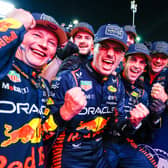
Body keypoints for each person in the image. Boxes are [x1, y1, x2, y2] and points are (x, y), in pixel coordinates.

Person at [47, 23, 149, 168]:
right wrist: (63, 114)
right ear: (92, 48)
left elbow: (119, 126)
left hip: (100, 154)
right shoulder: (67, 78)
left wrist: (133, 123)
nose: (110, 54)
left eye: (117, 50)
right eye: (104, 46)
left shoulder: (117, 83)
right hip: (70, 155)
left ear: (121, 57)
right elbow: (43, 132)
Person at [0, 8, 70, 167]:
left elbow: (43, 132)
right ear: (20, 37)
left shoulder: (42, 85)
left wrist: (64, 113)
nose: (44, 45)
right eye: (36, 35)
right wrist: (12, 25)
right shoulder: (4, 70)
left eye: (52, 43)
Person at [104, 43, 157, 168]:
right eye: (133, 60)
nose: (136, 66)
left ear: (144, 67)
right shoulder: (109, 79)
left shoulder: (142, 93)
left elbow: (143, 130)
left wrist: (138, 122)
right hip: (103, 141)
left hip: (125, 143)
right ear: (124, 61)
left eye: (141, 62)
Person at [140, 41, 168, 167]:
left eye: (163, 57)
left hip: (161, 131)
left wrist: (166, 99)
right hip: (137, 128)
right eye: (155, 56)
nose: (158, 60)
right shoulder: (138, 71)